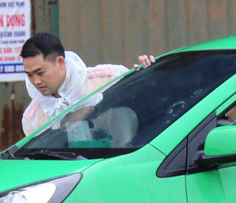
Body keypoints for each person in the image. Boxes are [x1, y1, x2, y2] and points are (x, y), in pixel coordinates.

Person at [20, 32, 152, 137]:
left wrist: (149, 74)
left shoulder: (109, 77)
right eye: (29, 75)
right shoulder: (32, 118)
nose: (35, 81)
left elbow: (148, 104)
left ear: (60, 62)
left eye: (40, 73)